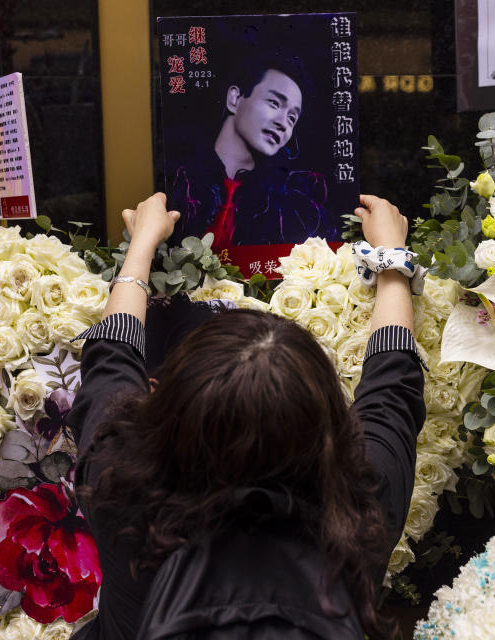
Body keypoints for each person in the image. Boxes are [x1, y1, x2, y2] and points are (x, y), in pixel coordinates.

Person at [68, 192, 426, 639]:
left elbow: (110, 357)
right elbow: (392, 387)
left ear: (166, 404)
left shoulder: (121, 482)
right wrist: (391, 261)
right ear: (329, 422)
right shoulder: (361, 501)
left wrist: (142, 245)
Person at [168, 57, 335, 249]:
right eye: (274, 103)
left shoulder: (292, 209)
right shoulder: (179, 180)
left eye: (292, 118)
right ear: (234, 99)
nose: (283, 123)